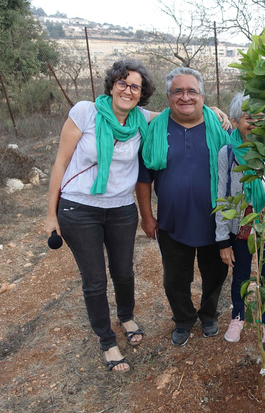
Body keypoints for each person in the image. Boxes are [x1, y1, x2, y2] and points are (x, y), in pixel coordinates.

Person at [44, 60, 155, 373]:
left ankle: (126, 315)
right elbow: (60, 165)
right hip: (79, 209)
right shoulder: (85, 112)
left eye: (135, 86)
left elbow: (178, 113)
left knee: (123, 272)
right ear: (111, 85)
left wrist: (212, 110)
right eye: (122, 82)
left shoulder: (143, 119)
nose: (128, 90)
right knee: (94, 281)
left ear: (142, 93)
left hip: (121, 209)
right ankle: (107, 341)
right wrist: (51, 214)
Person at [136, 67, 230, 348]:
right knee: (175, 280)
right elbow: (144, 178)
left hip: (215, 221)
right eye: (178, 91)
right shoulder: (156, 129)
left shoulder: (220, 127)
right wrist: (147, 216)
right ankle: (184, 319)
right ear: (168, 96)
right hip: (172, 222)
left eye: (192, 91)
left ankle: (209, 314)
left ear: (202, 96)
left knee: (215, 274)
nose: (185, 97)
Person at [215, 93, 265, 344]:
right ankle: (238, 316)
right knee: (240, 274)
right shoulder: (227, 154)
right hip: (241, 225)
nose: (255, 124)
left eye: (262, 119)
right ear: (235, 121)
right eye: (250, 117)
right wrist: (221, 240)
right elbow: (221, 196)